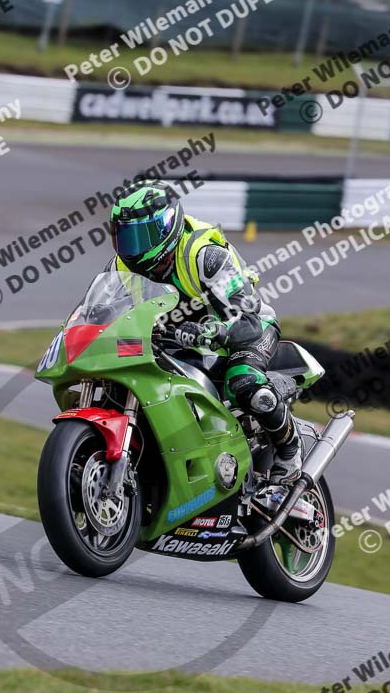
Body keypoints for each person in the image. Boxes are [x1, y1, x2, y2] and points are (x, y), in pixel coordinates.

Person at [107, 180, 302, 485]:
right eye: (125, 237)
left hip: (246, 331)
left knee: (244, 382)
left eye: (141, 235)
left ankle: (290, 449)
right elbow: (105, 311)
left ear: (166, 227)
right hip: (177, 343)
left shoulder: (204, 254)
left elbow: (246, 315)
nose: (133, 247)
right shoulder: (121, 268)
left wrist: (211, 331)